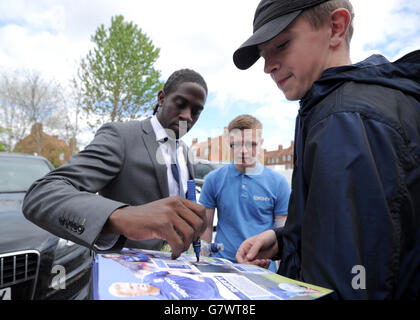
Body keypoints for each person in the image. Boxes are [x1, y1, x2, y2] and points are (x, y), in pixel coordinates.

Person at [233, 0, 420, 299]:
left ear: (335, 28)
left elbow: (351, 282)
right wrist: (284, 240)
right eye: (263, 56)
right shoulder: (333, 107)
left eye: (281, 44)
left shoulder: (344, 119)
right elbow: (365, 238)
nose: (268, 67)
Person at [22, 69, 208, 259]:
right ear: (162, 98)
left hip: (175, 270)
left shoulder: (185, 152)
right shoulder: (121, 137)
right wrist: (122, 216)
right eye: (181, 104)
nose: (187, 116)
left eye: (195, 112)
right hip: (122, 276)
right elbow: (42, 194)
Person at [199, 114, 290, 272]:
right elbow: (206, 226)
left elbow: (284, 235)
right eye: (237, 144)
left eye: (251, 144)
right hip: (221, 266)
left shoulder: (279, 183)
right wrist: (205, 261)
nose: (243, 150)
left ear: (261, 143)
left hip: (263, 269)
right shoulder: (213, 179)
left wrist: (283, 275)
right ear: (229, 143)